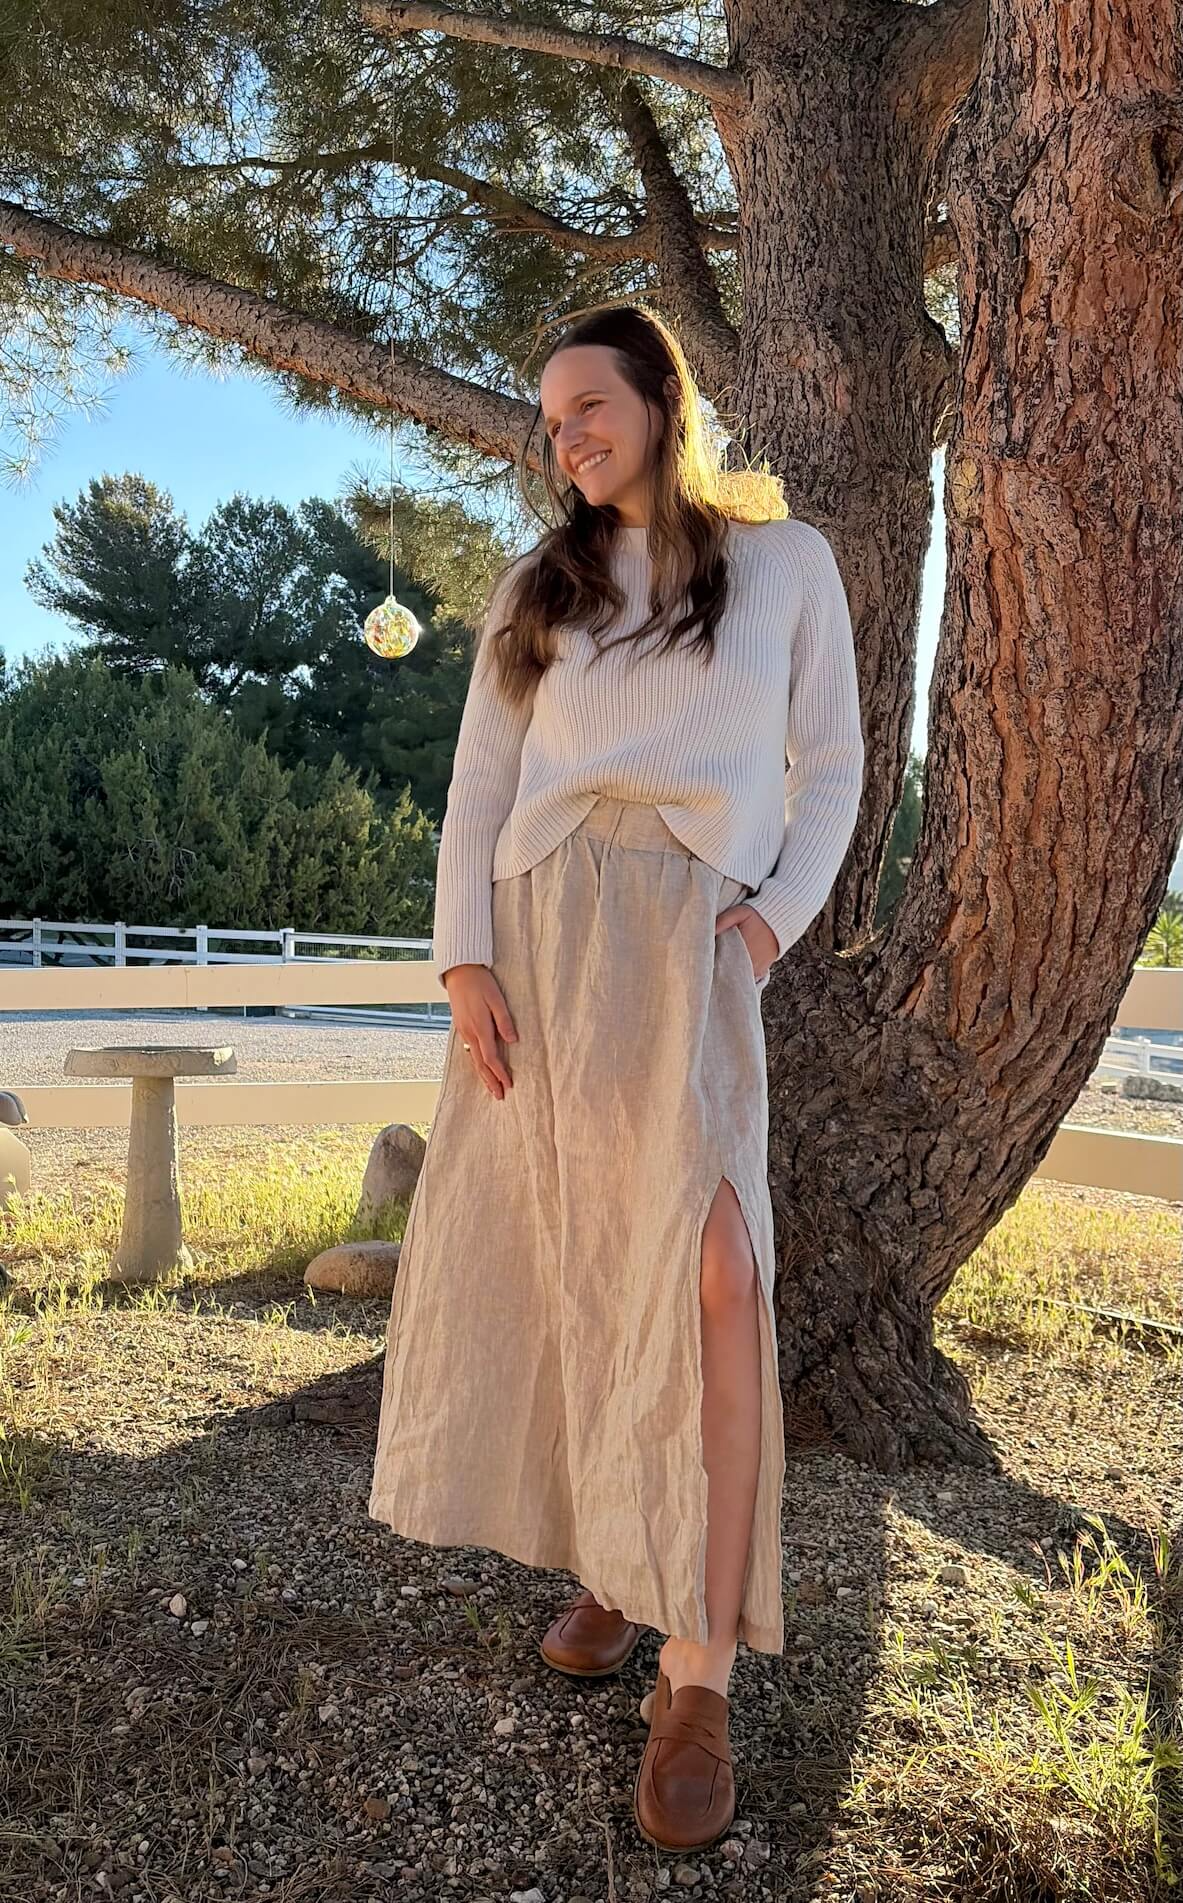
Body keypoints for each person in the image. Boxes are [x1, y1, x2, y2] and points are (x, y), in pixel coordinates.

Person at [369, 301, 864, 1852]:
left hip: (690, 943)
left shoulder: (785, 563)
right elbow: (477, 788)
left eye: (587, 402)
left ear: (660, 395)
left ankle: (697, 1668)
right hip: (540, 939)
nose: (564, 434)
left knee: (716, 1273)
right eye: (548, 417)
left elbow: (835, 765)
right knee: (578, 1265)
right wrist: (462, 959)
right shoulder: (541, 585)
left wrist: (771, 924)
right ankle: (610, 1565)